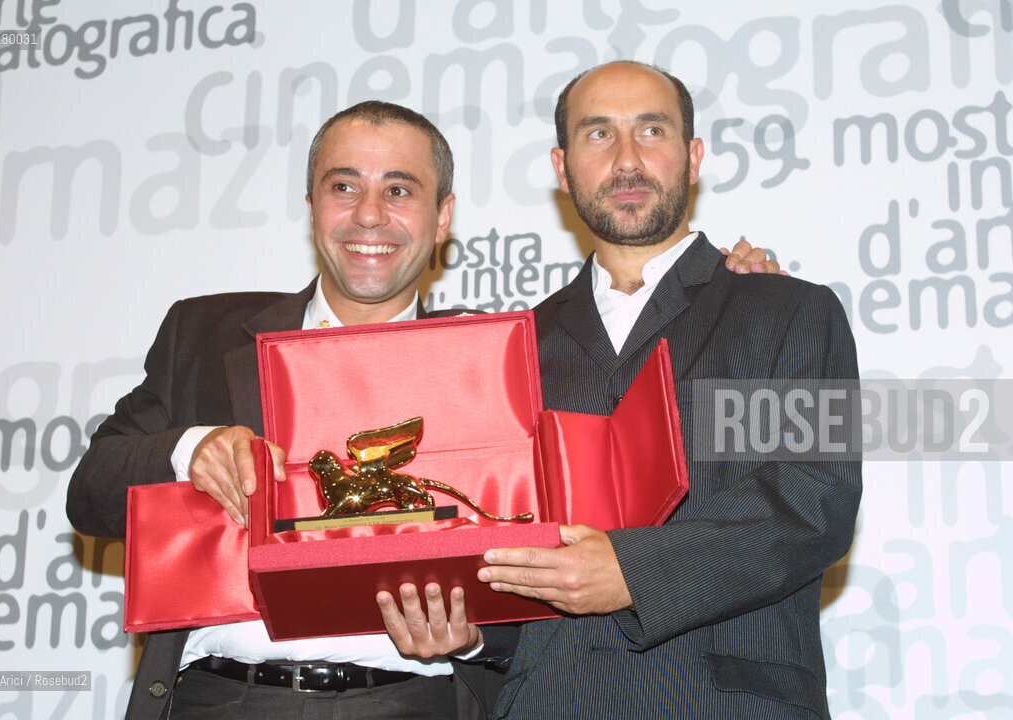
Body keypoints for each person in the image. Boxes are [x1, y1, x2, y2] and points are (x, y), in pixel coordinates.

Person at [67, 98, 777, 719]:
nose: (369, 215)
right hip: (220, 700)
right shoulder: (205, 331)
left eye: (399, 190)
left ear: (442, 219)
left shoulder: (508, 358)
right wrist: (189, 447)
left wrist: (730, 296)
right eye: (344, 185)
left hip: (418, 701)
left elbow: (566, 539)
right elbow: (90, 493)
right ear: (313, 204)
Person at [378, 61, 861, 720]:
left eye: (651, 131)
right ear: (562, 166)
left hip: (730, 703)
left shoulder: (791, 312)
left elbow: (813, 501)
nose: (627, 160)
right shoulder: (508, 348)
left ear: (693, 158)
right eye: (599, 135)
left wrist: (633, 571)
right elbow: (499, 549)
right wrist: (473, 632)